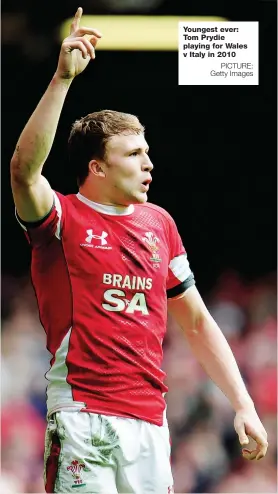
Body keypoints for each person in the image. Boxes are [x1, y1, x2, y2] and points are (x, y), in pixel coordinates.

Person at [10, 7, 268, 494]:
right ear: (97, 168)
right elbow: (23, 169)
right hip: (84, 419)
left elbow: (195, 322)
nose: (148, 162)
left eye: (147, 152)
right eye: (133, 154)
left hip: (151, 427)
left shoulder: (160, 225)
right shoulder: (61, 218)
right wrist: (63, 79)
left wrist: (243, 404)